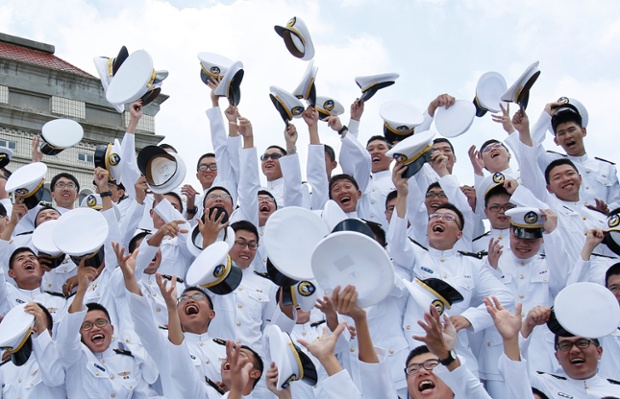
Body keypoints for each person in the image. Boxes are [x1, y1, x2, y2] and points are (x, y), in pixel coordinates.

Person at [388, 180, 514, 377]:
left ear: (459, 234)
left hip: (458, 355)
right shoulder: (414, 255)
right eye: (435, 216)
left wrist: (468, 318)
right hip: (417, 356)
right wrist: (402, 196)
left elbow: (505, 297)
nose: (439, 219)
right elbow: (396, 242)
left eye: (448, 217)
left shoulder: (472, 264)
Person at [56, 264, 161, 398]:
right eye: (87, 325)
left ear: (112, 329)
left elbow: (146, 395)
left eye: (100, 322)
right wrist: (82, 290)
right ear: (80, 333)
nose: (95, 328)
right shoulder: (75, 357)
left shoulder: (127, 360)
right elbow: (67, 335)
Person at [521, 306, 620, 398]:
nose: (574, 350)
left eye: (582, 343)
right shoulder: (544, 384)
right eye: (565, 345)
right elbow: (517, 371)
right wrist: (528, 325)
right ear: (557, 357)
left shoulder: (616, 390)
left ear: (599, 352)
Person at [0, 303, 66, 398]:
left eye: (37, 323)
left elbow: (54, 378)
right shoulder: (5, 367)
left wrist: (41, 331)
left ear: (50, 334)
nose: (33, 329)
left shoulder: (60, 359)